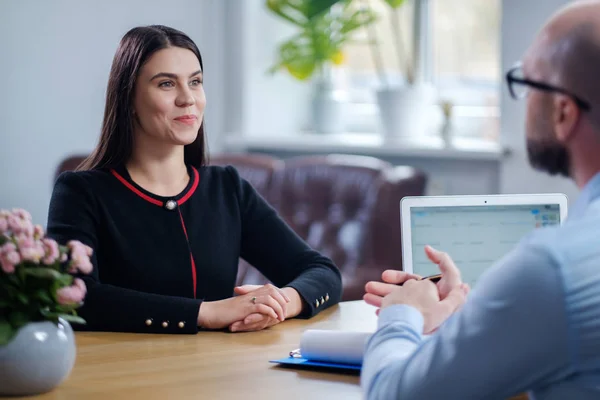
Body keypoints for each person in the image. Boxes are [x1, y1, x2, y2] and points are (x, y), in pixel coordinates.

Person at [361, 1, 600, 398]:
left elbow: (393, 394)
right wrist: (469, 315)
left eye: (528, 83)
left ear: (563, 112)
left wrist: (402, 313)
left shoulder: (555, 268)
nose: (521, 101)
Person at [46, 25, 342, 335]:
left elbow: (322, 272)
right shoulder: (81, 192)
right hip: (123, 375)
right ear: (129, 98)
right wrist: (205, 312)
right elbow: (75, 297)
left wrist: (282, 302)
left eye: (196, 82)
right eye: (166, 84)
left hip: (214, 375)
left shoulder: (226, 188)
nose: (188, 99)